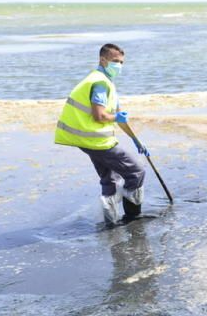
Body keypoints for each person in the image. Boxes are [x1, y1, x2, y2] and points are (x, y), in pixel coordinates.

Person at [54, 44, 149, 225]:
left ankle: (111, 222)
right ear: (102, 60)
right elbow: (100, 116)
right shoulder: (99, 83)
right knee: (136, 172)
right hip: (98, 142)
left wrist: (136, 140)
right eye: (115, 61)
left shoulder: (104, 81)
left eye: (121, 62)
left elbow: (119, 119)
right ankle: (133, 216)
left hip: (88, 141)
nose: (119, 65)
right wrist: (115, 117)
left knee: (109, 179)